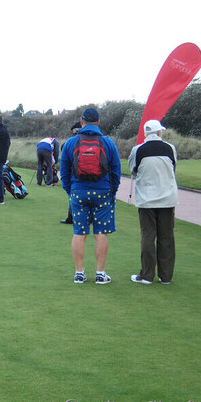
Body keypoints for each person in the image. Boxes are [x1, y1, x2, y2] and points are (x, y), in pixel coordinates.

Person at [60, 108, 121, 284]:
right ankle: (100, 274)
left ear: (81, 121)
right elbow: (116, 170)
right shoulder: (108, 142)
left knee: (79, 233)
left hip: (78, 192)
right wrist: (112, 191)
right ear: (98, 122)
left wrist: (70, 191)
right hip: (102, 193)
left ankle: (79, 273)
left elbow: (63, 172)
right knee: (100, 233)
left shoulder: (71, 142)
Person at [128, 120, 178, 285]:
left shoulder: (137, 150)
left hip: (147, 199)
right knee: (166, 237)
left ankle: (147, 275)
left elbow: (133, 170)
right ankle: (166, 277)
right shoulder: (170, 148)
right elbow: (174, 168)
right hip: (167, 199)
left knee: (148, 236)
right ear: (158, 133)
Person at [60, 121, 82, 224]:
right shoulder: (100, 140)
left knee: (72, 197)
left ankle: (71, 218)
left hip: (76, 177)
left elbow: (65, 167)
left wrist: (66, 185)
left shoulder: (71, 141)